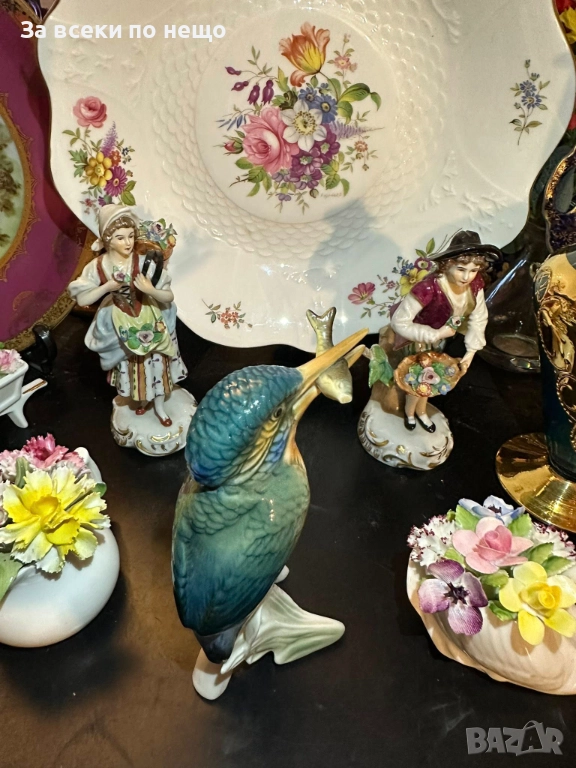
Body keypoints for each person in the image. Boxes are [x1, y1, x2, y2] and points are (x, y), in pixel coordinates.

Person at [69, 204, 187, 427]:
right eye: (120, 238)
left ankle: (160, 407)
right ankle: (142, 399)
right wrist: (107, 287)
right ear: (108, 239)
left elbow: (168, 295)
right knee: (135, 366)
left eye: (131, 236)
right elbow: (82, 299)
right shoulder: (98, 266)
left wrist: (150, 290)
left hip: (149, 316)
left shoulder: (142, 262)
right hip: (121, 320)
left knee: (156, 363)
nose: (128, 242)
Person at [390, 231, 501, 433]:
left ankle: (421, 411)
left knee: (432, 379)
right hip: (417, 342)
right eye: (461, 269)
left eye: (474, 270)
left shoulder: (475, 285)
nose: (467, 277)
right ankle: (410, 412)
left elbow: (479, 316)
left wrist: (470, 352)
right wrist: (436, 334)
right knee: (418, 380)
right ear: (447, 264)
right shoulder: (428, 288)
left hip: (439, 344)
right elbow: (400, 322)